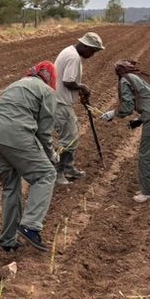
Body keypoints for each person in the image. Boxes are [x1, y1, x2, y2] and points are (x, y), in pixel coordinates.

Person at [0, 62, 58, 253]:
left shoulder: (14, 85)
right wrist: (52, 156)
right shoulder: (46, 91)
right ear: (51, 79)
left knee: (11, 185)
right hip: (15, 135)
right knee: (46, 175)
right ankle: (31, 225)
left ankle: (8, 239)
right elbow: (44, 132)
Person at [101, 59, 150, 203]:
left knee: (146, 156)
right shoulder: (140, 77)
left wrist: (113, 113)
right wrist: (140, 120)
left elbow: (127, 107)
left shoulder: (125, 80)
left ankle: (148, 191)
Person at [52, 31, 105, 185]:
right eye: (92, 51)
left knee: (72, 135)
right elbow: (68, 81)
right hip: (60, 104)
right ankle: (58, 173)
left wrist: (79, 92)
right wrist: (82, 87)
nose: (92, 55)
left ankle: (68, 168)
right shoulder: (73, 57)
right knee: (68, 139)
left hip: (60, 101)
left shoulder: (70, 52)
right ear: (85, 46)